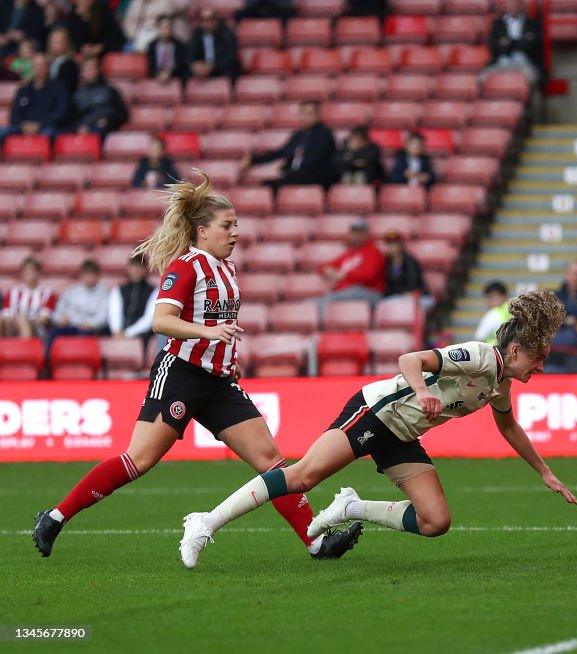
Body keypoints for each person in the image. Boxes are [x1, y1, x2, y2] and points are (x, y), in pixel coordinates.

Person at [32, 171, 361, 562]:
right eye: (227, 225)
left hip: (219, 382)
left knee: (271, 460)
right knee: (139, 460)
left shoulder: (229, 269)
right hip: (181, 374)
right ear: (202, 230)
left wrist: (227, 358)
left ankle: (317, 543)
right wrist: (209, 333)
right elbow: (162, 321)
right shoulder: (185, 267)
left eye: (236, 224)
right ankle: (54, 517)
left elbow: (218, 327)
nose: (235, 232)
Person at [178, 289, 577, 569]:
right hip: (374, 412)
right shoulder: (477, 356)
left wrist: (544, 471)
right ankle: (205, 522)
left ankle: (351, 507)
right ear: (515, 350)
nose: (540, 367)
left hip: (403, 433)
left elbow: (509, 426)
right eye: (538, 358)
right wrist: (422, 392)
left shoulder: (501, 382)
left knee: (436, 521)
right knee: (301, 476)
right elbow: (410, 359)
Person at [241, 100, 336, 191]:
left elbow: (314, 160)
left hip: (315, 179)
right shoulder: (298, 136)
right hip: (296, 177)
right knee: (267, 185)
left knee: (275, 185)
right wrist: (253, 160)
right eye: (303, 112)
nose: (305, 116)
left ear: (318, 115)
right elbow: (280, 152)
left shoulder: (325, 135)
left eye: (310, 113)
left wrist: (290, 170)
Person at [316, 219, 386, 309]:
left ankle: (323, 321)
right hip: (346, 292)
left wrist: (344, 275)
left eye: (359, 233)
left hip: (369, 292)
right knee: (311, 303)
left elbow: (368, 275)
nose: (355, 236)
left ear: (366, 234)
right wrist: (328, 271)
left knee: (331, 300)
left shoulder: (373, 251)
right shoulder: (349, 253)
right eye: (353, 232)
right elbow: (323, 266)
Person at [2, 52, 68, 139]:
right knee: (3, 132)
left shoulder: (59, 89)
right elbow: (15, 113)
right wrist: (24, 125)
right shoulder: (24, 90)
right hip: (23, 127)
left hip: (46, 126)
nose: (39, 69)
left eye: (42, 65)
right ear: (32, 68)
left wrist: (39, 124)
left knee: (48, 133)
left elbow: (60, 113)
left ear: (48, 68)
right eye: (36, 65)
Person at [483, 0, 542, 86]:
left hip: (524, 64)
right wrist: (521, 42)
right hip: (501, 63)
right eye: (511, 3)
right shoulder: (497, 24)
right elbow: (494, 47)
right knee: (482, 79)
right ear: (506, 6)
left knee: (532, 80)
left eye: (516, 3)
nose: (513, 6)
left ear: (521, 5)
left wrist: (508, 42)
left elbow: (532, 45)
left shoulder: (531, 24)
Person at [49, 259, 109, 340]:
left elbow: (103, 317)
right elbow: (57, 312)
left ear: (97, 276)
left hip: (90, 330)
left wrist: (90, 324)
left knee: (83, 336)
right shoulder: (72, 291)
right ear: (82, 275)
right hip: (71, 326)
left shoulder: (103, 293)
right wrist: (60, 319)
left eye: (92, 274)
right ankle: (46, 353)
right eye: (87, 274)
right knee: (53, 333)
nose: (89, 278)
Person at [108, 254, 159, 348]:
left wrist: (128, 333)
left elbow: (149, 319)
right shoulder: (118, 289)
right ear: (128, 268)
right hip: (117, 334)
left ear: (145, 269)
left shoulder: (154, 291)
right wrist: (117, 331)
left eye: (140, 266)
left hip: (141, 336)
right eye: (134, 266)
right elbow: (114, 313)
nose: (136, 270)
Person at [70, 56, 128, 138]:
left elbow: (123, 115)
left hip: (107, 131)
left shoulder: (110, 91)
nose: (89, 72)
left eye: (92, 68)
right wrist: (79, 127)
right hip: (85, 131)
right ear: (81, 74)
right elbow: (72, 119)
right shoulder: (76, 95)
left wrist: (109, 120)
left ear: (98, 70)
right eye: (86, 70)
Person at [380, 229, 434, 313]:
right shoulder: (387, 262)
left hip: (416, 297)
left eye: (395, 244)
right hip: (396, 297)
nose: (392, 247)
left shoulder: (409, 260)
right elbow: (389, 285)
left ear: (401, 245)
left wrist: (407, 293)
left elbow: (413, 282)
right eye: (390, 244)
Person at [1, 257, 55, 338]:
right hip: (13, 325)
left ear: (39, 273)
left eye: (33, 271)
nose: (30, 274)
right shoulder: (13, 292)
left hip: (37, 328)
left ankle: (24, 349)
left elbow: (44, 318)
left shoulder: (47, 293)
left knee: (22, 320)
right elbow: (6, 314)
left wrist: (26, 322)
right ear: (22, 274)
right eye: (26, 271)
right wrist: (14, 323)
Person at [187, 9, 239, 81]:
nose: (208, 23)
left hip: (220, 69)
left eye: (211, 19)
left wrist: (211, 67)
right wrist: (195, 66)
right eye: (203, 20)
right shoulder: (197, 34)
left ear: (216, 20)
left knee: (230, 73)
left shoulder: (227, 34)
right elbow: (191, 55)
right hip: (202, 69)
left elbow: (230, 59)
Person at [124, 0, 190, 54]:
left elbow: (183, 5)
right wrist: (136, 36)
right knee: (128, 48)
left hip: (162, 37)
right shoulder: (136, 3)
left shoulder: (167, 2)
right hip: (139, 38)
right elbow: (128, 22)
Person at [146, 14, 189, 83]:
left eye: (169, 27)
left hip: (175, 79)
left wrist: (170, 73)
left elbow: (183, 67)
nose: (166, 30)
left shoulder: (180, 46)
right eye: (163, 27)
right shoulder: (152, 46)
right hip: (156, 79)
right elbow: (150, 67)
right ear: (157, 27)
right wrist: (158, 74)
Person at [474, 280, 510, 345]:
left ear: (503, 296)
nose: (488, 300)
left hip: (495, 353)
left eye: (492, 297)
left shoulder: (493, 314)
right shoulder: (515, 311)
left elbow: (478, 340)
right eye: (487, 297)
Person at [45, 27, 78, 96]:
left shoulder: (69, 64)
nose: (55, 45)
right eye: (53, 42)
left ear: (66, 43)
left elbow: (67, 87)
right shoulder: (49, 62)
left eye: (59, 42)